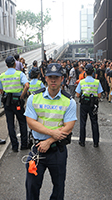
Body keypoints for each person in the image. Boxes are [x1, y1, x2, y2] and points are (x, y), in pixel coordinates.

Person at [24, 63, 77, 200]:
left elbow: (69, 127)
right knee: (32, 186)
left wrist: (49, 141)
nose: (53, 80)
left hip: (57, 150)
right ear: (45, 78)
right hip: (37, 149)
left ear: (62, 79)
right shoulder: (34, 98)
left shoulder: (69, 101)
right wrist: (53, 133)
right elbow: (31, 122)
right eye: (50, 77)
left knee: (59, 187)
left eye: (57, 77)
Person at [0, 56, 29, 151]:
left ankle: (14, 146)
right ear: (15, 63)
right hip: (18, 101)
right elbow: (27, 85)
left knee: (10, 124)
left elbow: (1, 90)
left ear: (6, 65)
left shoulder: (2, 75)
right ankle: (24, 145)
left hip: (7, 102)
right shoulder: (19, 74)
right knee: (22, 122)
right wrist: (22, 95)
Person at [76, 64, 103, 147]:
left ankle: (82, 141)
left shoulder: (82, 82)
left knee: (83, 123)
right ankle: (96, 142)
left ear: (85, 72)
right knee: (94, 122)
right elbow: (99, 95)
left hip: (84, 104)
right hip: (93, 104)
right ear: (93, 72)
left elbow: (77, 95)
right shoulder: (97, 82)